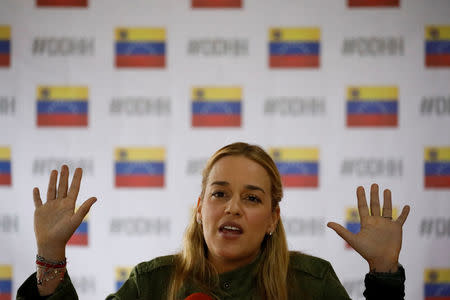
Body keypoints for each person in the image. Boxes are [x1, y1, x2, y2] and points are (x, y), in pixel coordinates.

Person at [17, 142, 410, 300]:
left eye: (252, 198)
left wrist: (384, 273)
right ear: (200, 207)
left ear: (273, 218)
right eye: (220, 193)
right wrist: (50, 252)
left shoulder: (313, 283)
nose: (233, 208)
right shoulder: (150, 283)